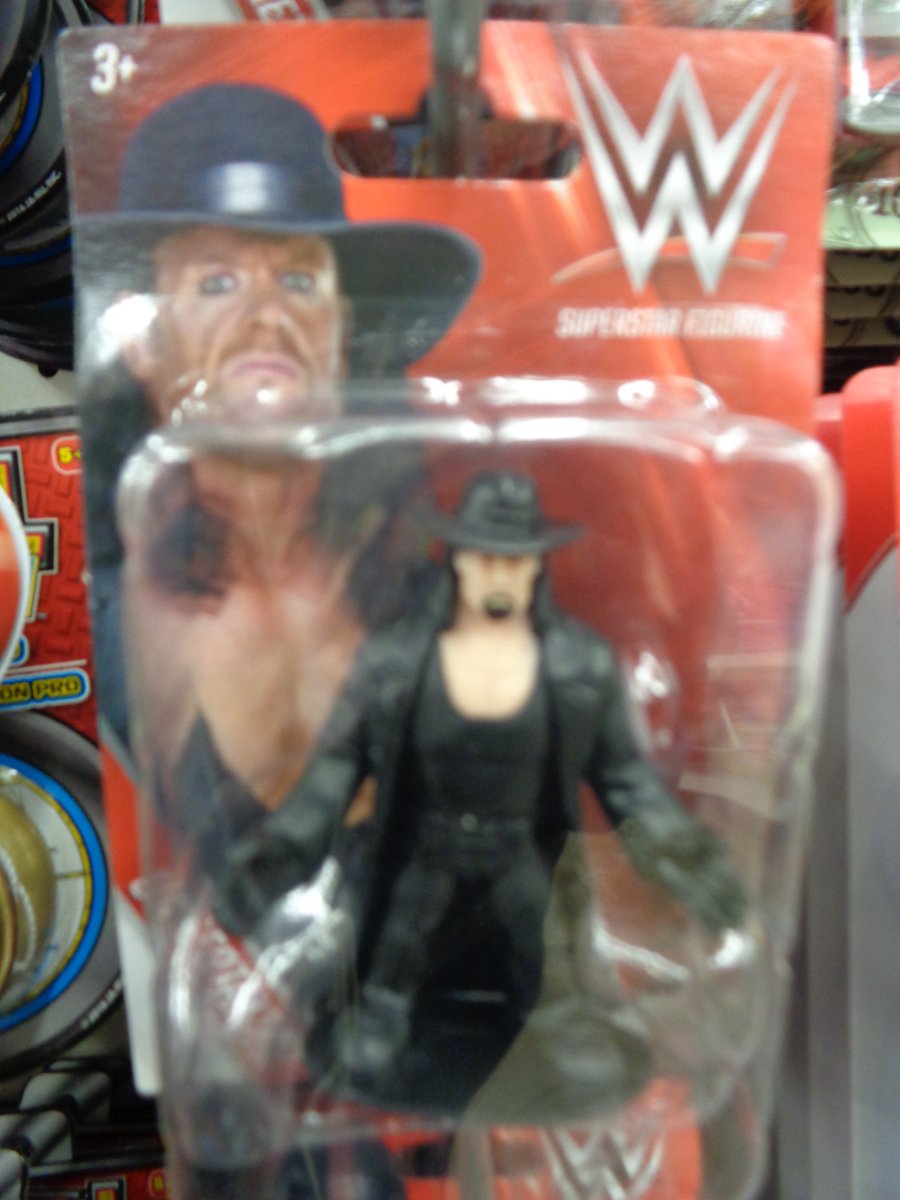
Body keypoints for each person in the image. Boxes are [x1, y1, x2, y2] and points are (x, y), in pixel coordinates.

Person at [210, 470, 748, 1118]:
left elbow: (629, 785)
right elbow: (333, 774)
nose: (500, 576)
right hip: (426, 853)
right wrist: (271, 863)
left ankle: (562, 1031)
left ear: (535, 568)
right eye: (485, 558)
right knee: (394, 960)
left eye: (515, 562)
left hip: (520, 854)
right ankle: (379, 1024)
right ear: (458, 561)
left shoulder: (577, 666)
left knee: (549, 966)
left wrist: (692, 866)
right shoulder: (396, 662)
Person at [78, 82, 481, 769]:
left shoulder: (434, 611)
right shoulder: (108, 627)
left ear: (341, 332)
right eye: (217, 282)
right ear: (141, 340)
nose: (268, 315)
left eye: (299, 281)